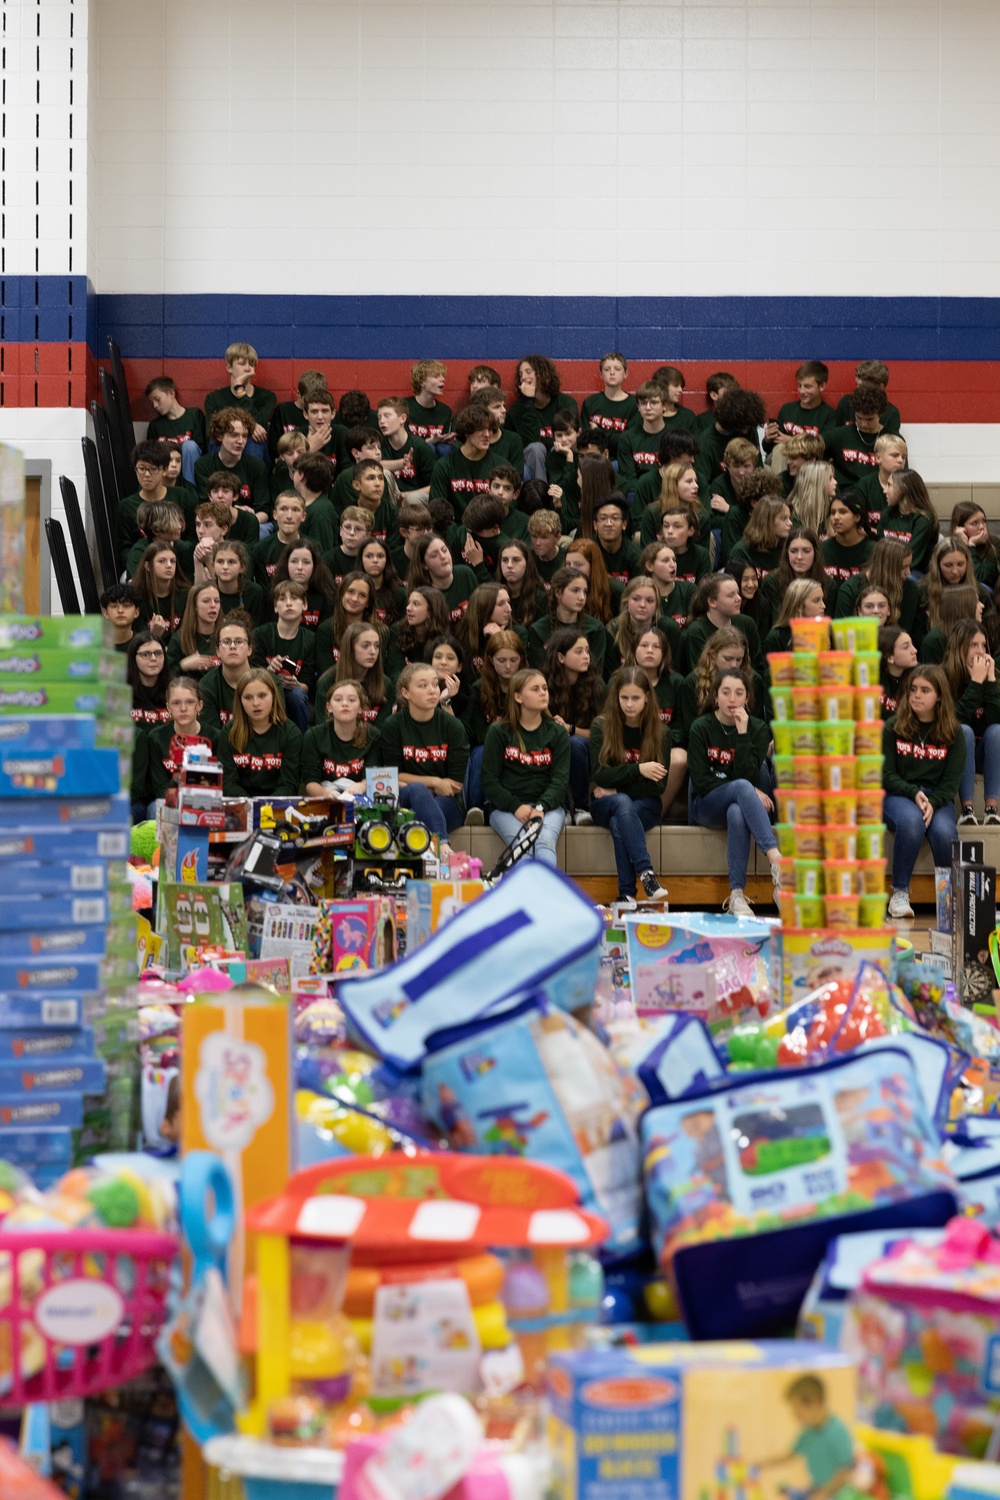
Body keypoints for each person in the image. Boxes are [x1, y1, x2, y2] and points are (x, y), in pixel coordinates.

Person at [688, 668, 780, 918]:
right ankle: (776, 860)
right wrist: (744, 788)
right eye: (725, 692)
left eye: (739, 693)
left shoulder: (758, 729)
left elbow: (749, 774)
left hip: (734, 804)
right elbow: (702, 782)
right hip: (704, 806)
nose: (732, 699)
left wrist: (742, 734)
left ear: (747, 698)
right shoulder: (701, 727)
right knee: (741, 788)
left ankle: (737, 895)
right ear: (715, 697)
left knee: (737, 811)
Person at [882, 665, 965, 919]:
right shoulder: (893, 726)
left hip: (937, 797)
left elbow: (951, 783)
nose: (916, 695)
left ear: (939, 696)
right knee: (911, 821)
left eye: (925, 690)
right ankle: (899, 893)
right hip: (899, 794)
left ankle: (951, 897)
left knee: (944, 831)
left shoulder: (954, 733)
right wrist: (913, 793)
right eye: (913, 689)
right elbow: (886, 775)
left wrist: (933, 801)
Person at [588, 667, 670, 905]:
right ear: (616, 697)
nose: (629, 704)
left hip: (646, 806)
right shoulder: (601, 727)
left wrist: (618, 786)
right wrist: (639, 770)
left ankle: (626, 894)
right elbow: (600, 776)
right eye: (624, 698)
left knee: (620, 817)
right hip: (605, 805)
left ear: (647, 697)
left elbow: (658, 787)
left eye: (635, 698)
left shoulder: (661, 732)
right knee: (621, 804)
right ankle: (646, 874)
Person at [379, 662, 470, 861]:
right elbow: (392, 776)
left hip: (448, 803)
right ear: (406, 693)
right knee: (419, 791)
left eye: (435, 685)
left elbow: (454, 784)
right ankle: (444, 849)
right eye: (422, 686)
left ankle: (434, 851)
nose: (432, 691)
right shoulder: (393, 725)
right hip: (405, 798)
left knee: (423, 802)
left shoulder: (453, 726)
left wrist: (422, 786)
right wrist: (435, 782)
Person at [482, 669, 569, 866]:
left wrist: (541, 807)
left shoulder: (557, 733)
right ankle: (526, 896)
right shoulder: (498, 732)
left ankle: (545, 896)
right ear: (518, 697)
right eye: (535, 689)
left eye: (545, 688)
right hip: (506, 808)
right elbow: (489, 781)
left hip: (548, 807)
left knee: (544, 842)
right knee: (523, 845)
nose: (543, 693)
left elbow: (560, 781)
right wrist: (515, 806)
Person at [132, 676, 222, 818]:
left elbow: (220, 781)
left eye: (190, 702)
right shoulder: (156, 738)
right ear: (168, 707)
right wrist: (181, 801)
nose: (183, 708)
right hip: (169, 799)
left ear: (200, 705)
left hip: (206, 798)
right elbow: (160, 786)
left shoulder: (215, 737)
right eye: (176, 703)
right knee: (155, 809)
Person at [543, 628, 607, 824]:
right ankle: (559, 806)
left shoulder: (596, 685)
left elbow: (603, 734)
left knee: (574, 744)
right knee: (556, 743)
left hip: (588, 749)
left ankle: (581, 807)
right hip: (553, 746)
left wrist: (569, 729)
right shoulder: (545, 685)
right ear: (561, 657)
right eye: (579, 652)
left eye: (587, 651)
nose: (586, 656)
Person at [462, 630, 526, 818]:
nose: (508, 666)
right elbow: (476, 730)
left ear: (521, 659)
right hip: (488, 744)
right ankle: (477, 809)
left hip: (522, 743)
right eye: (501, 660)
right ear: (490, 660)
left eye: (513, 660)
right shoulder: (479, 688)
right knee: (481, 753)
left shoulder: (528, 686)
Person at [942, 619, 1000, 826]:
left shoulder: (990, 678)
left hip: (984, 754)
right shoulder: (944, 677)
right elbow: (953, 722)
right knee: (963, 730)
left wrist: (990, 681)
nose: (980, 651)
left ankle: (992, 809)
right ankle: (967, 809)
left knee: (997, 731)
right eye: (974, 645)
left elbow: (993, 720)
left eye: (983, 645)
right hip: (954, 753)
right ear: (959, 648)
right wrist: (975, 683)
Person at [760, 1374, 855, 1500]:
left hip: (840, 1493)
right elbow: (789, 1455)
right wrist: (761, 1464)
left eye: (797, 1409)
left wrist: (823, 1495)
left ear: (815, 1403)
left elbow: (845, 1473)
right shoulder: (808, 1432)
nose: (795, 1415)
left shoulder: (838, 1431)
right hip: (816, 1489)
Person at [632, 628, 688, 814]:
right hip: (630, 745)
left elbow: (680, 726)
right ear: (633, 650)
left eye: (656, 646)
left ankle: (656, 813)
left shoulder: (677, 682)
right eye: (644, 645)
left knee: (680, 757)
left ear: (664, 653)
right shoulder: (620, 680)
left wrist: (657, 740)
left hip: (663, 746)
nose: (649, 650)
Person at [221, 669, 302, 796]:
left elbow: (288, 785)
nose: (256, 703)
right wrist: (249, 806)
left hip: (276, 806)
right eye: (248, 697)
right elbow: (228, 782)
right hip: (240, 804)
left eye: (262, 696)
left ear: (274, 696)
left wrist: (264, 808)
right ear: (240, 701)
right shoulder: (229, 731)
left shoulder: (291, 734)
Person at [252, 580, 316, 732]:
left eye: (294, 598)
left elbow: (306, 683)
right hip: (263, 689)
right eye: (282, 599)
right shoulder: (261, 634)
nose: (288, 603)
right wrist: (268, 671)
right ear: (275, 607)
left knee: (296, 695)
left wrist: (296, 683)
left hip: (293, 692)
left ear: (305, 605)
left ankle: (300, 746)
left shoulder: (311, 639)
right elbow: (251, 676)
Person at [302, 680, 382, 796]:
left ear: (360, 708)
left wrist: (363, 785)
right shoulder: (314, 736)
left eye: (351, 700)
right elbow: (310, 782)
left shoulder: (372, 735)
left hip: (360, 796)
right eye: (338, 699)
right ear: (329, 707)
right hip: (325, 795)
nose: (345, 704)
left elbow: (372, 775)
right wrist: (325, 793)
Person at [506, 355, 578, 479]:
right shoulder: (517, 409)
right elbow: (530, 441)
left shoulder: (565, 403)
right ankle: (541, 495)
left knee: (555, 449)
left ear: (542, 374)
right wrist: (528, 403)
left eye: (528, 372)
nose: (523, 377)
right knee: (536, 449)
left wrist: (547, 442)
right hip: (531, 461)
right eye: (520, 374)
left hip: (561, 456)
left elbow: (570, 438)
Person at [194, 409, 269, 526]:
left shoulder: (257, 466)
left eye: (244, 436)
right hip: (215, 523)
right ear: (219, 436)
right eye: (234, 435)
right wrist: (236, 514)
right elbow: (205, 505)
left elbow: (264, 511)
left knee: (263, 530)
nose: (241, 441)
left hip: (249, 523)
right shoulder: (204, 465)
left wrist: (246, 520)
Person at [314, 621, 393, 730]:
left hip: (372, 745)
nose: (373, 652)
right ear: (350, 648)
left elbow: (382, 732)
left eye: (377, 646)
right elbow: (322, 729)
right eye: (365, 646)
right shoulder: (328, 681)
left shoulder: (385, 684)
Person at [528, 567, 608, 675]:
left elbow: (596, 673)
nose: (582, 597)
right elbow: (538, 672)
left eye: (585, 592)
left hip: (586, 687)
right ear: (558, 593)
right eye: (575, 590)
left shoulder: (595, 628)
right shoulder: (539, 629)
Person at [682, 573, 764, 675]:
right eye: (731, 595)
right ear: (712, 602)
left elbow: (758, 667)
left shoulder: (747, 623)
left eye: (738, 593)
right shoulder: (697, 631)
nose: (738, 598)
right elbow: (699, 674)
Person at [760, 527, 836, 631]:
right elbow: (776, 624)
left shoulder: (828, 584)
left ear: (815, 553)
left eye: (806, 551)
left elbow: (828, 625)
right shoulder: (773, 581)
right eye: (794, 551)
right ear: (787, 553)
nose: (799, 557)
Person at [825, 383, 898, 489]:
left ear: (880, 414)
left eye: (869, 419)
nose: (863, 424)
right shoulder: (840, 434)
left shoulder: (893, 440)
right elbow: (815, 444)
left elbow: (900, 478)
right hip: (845, 494)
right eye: (859, 417)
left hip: (878, 493)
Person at [834, 538, 915, 632]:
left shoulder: (909, 589)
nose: (908, 573)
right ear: (887, 568)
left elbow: (904, 633)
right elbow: (841, 632)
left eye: (909, 566)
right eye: (903, 568)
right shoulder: (850, 589)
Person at [429, 407, 500, 509]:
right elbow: (437, 512)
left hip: (489, 524)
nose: (487, 434)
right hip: (454, 523)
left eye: (490, 429)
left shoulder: (500, 465)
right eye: (480, 429)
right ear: (467, 431)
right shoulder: (444, 466)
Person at [198, 611, 258, 731]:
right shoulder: (206, 687)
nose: (232, 646)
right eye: (226, 642)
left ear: (250, 649)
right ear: (217, 650)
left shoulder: (269, 682)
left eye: (239, 641)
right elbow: (212, 734)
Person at [117, 440, 172, 563]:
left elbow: (191, 538)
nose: (147, 475)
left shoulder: (182, 496)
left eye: (153, 469)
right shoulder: (126, 506)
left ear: (164, 470)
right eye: (141, 468)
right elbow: (124, 548)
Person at [145, 376, 206, 483]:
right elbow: (151, 456)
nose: (155, 405)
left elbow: (201, 448)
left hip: (191, 470)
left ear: (171, 394)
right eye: (151, 402)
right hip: (167, 474)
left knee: (189, 446)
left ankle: (190, 493)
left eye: (157, 399)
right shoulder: (155, 425)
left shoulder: (194, 415)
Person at [316, 571, 379, 674]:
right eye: (350, 592)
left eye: (362, 595)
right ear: (341, 594)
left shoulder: (379, 630)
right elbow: (325, 673)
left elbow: (378, 672)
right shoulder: (326, 629)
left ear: (368, 602)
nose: (355, 599)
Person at [879, 469, 940, 575]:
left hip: (913, 572)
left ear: (903, 489)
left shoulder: (923, 520)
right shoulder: (888, 513)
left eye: (889, 485)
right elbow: (878, 546)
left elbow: (913, 558)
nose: (884, 490)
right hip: (886, 569)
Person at [270, 539, 337, 629]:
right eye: (294, 561)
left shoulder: (326, 597)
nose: (300, 567)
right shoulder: (275, 593)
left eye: (306, 562)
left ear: (314, 565)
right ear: (286, 564)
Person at [617, 382, 669, 497]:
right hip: (638, 495)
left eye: (654, 403)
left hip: (667, 494)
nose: (648, 408)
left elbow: (677, 475)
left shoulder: (674, 438)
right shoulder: (627, 438)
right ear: (638, 407)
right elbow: (628, 478)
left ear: (664, 405)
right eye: (643, 403)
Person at [387, 586, 451, 676]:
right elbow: (395, 672)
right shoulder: (397, 631)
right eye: (409, 603)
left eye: (416, 604)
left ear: (431, 611)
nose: (408, 608)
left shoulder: (444, 638)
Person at [131, 541, 189, 640]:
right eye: (162, 561)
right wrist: (153, 634)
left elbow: (187, 635)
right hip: (149, 651)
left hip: (177, 652)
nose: (169, 565)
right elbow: (137, 642)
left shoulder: (186, 593)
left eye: (173, 561)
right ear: (147, 566)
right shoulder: (136, 598)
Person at [767, 360, 837, 441]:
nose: (802, 391)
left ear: (822, 386)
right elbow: (771, 447)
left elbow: (823, 447)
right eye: (800, 385)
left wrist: (791, 441)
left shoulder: (829, 415)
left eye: (807, 387)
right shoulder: (787, 410)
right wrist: (767, 439)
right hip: (784, 453)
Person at [726, 497, 793, 580]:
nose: (790, 523)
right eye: (784, 518)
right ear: (767, 521)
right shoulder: (742, 552)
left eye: (789, 518)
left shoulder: (789, 548)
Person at [762, 577, 828, 660]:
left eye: (822, 600)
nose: (823, 606)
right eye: (816, 600)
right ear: (798, 606)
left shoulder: (824, 633)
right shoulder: (775, 638)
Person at [254, 492, 308, 590]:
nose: (289, 516)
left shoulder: (312, 548)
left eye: (295, 510)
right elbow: (264, 591)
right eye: (283, 509)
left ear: (303, 516)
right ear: (275, 515)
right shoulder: (261, 549)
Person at [166, 582, 221, 679]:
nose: (213, 605)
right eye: (206, 601)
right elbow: (166, 677)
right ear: (195, 606)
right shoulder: (179, 639)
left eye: (216, 601)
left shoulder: (226, 636)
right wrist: (183, 665)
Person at [456, 584, 513, 676]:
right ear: (484, 608)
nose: (509, 609)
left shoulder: (519, 633)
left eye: (508, 602)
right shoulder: (465, 636)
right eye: (501, 604)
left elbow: (516, 674)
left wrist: (500, 639)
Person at [919, 583, 983, 664]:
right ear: (962, 607)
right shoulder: (934, 641)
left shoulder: (977, 633)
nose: (982, 605)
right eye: (977, 602)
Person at [856, 432, 908, 533]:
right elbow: (858, 526)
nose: (901, 460)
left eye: (904, 457)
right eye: (895, 455)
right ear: (878, 458)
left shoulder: (910, 485)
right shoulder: (864, 486)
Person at [834, 358, 902, 433]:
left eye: (862, 386)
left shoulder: (891, 413)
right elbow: (835, 435)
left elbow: (892, 442)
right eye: (857, 384)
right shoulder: (846, 403)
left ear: (880, 387)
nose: (857, 389)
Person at [209, 540, 267, 625]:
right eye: (220, 562)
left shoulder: (254, 593)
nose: (225, 567)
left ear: (242, 567)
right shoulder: (207, 592)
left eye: (231, 562)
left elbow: (257, 630)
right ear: (213, 565)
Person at [822, 492, 874, 584]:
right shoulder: (823, 549)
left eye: (843, 512)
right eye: (833, 513)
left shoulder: (874, 550)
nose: (836, 517)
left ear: (857, 517)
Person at [581, 352, 638, 436]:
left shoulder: (634, 405)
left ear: (625, 374)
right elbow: (585, 438)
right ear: (601, 374)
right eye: (607, 369)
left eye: (617, 369)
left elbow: (627, 442)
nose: (612, 372)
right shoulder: (590, 403)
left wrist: (598, 432)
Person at [564, 537, 616, 623]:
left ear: (593, 566)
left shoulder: (614, 588)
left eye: (578, 565)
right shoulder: (561, 588)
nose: (571, 570)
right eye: (568, 564)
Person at [951, 501, 1000, 592]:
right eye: (975, 523)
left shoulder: (994, 544)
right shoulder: (950, 545)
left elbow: (982, 578)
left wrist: (971, 546)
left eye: (983, 521)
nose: (982, 527)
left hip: (987, 593)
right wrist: (963, 545)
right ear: (960, 528)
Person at [593, 493, 641, 586]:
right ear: (595, 525)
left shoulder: (635, 556)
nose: (609, 523)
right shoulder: (587, 551)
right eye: (603, 518)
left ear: (624, 524)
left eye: (614, 518)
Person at [642, 543, 694, 628]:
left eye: (674, 560)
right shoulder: (642, 596)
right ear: (649, 566)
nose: (672, 565)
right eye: (665, 561)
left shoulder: (689, 590)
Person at [496, 539, 545, 629]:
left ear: (527, 563)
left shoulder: (540, 597)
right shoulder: (494, 595)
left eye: (516, 560)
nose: (509, 565)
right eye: (505, 560)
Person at [126, 632, 171, 729]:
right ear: (133, 658)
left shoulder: (174, 691)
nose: (154, 658)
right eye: (146, 654)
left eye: (158, 653)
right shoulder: (122, 693)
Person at [407, 359, 453, 445]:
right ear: (421, 382)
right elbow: (401, 444)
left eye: (442, 376)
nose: (443, 379)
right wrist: (429, 441)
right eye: (436, 376)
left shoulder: (445, 411)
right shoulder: (404, 407)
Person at [425, 633, 469, 719]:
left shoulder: (468, 694)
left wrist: (445, 702)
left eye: (450, 658)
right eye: (438, 657)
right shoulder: (418, 689)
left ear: (459, 667)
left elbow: (460, 732)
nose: (443, 662)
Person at [723, 556, 770, 636]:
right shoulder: (723, 604)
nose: (751, 585)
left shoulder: (762, 604)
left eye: (754, 579)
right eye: (745, 579)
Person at [878, 624, 918, 717]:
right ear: (889, 657)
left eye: (912, 644)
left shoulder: (920, 676)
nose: (915, 650)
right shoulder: (872, 680)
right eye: (906, 647)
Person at [526, 508, 565, 587]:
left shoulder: (566, 559)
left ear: (557, 537)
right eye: (534, 536)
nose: (537, 543)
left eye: (544, 537)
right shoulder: (527, 558)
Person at [101, 583, 141, 651]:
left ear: (136, 612)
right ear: (106, 613)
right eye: (114, 606)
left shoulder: (144, 645)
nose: (120, 611)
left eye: (126, 606)